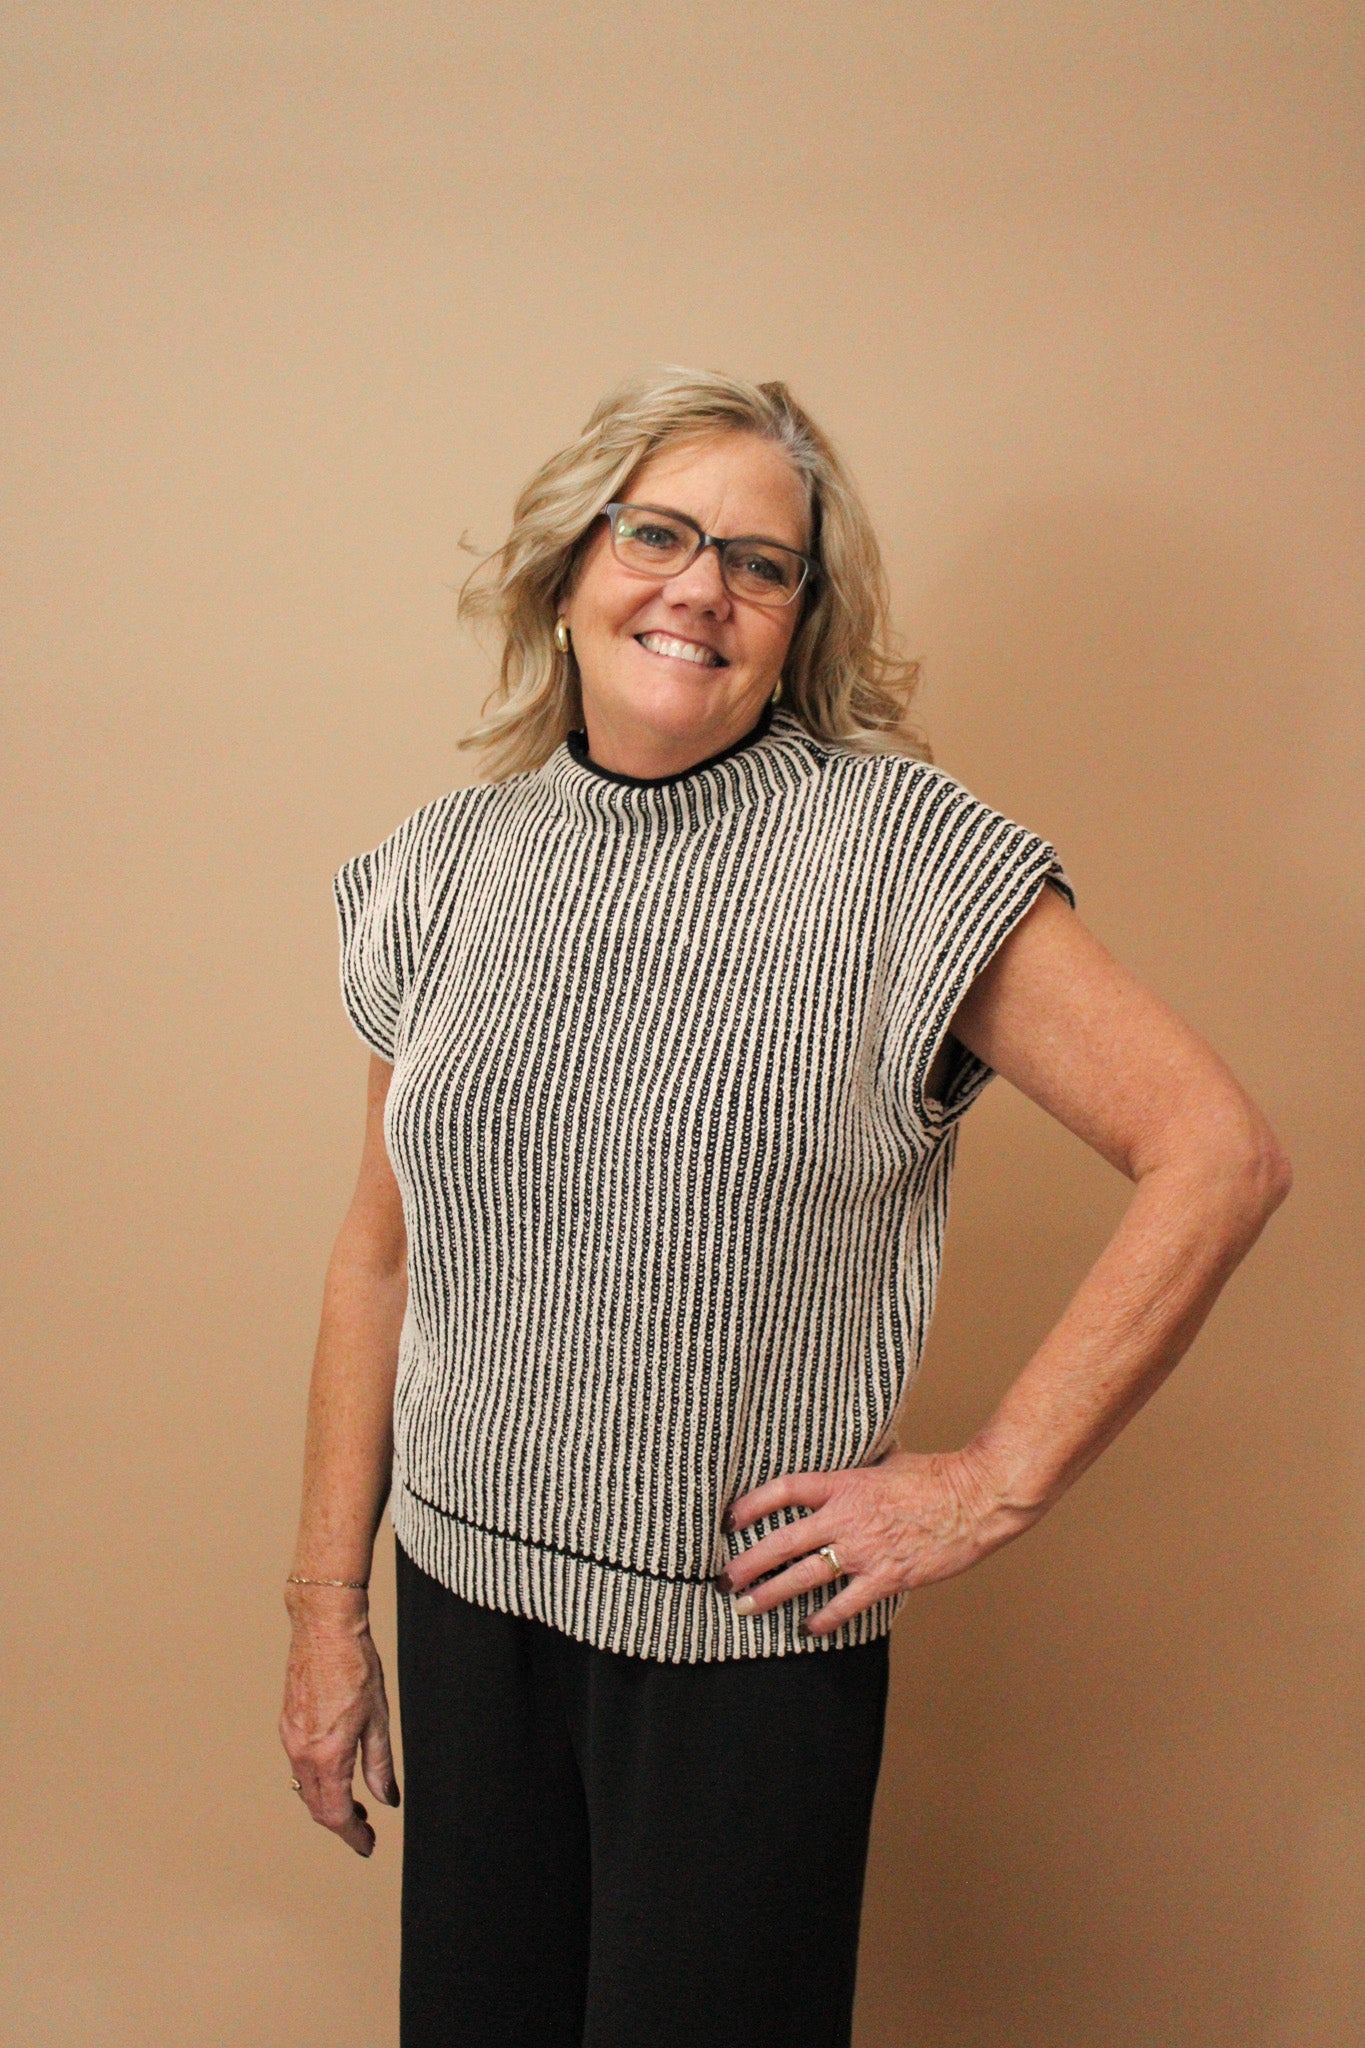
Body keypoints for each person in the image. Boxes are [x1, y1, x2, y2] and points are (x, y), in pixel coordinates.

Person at [279, 366, 1291, 2048]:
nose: (701, 589)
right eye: (657, 535)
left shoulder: (898, 855)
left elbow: (1216, 1153)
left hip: (736, 1660)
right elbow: (379, 1255)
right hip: (459, 1608)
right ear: (567, 565)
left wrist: (990, 1482)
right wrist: (325, 1612)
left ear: (801, 621)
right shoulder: (439, 868)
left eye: (760, 564)